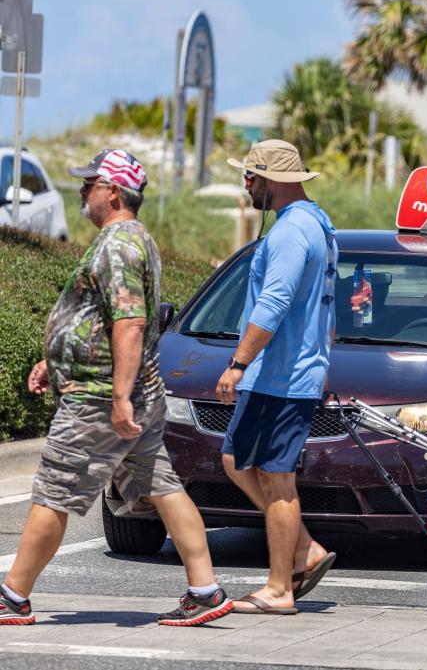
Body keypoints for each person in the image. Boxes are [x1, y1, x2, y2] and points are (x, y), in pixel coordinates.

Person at [0, 150, 232, 626]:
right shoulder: (133, 240)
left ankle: (12, 596)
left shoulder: (119, 245)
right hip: (128, 389)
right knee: (162, 486)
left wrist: (119, 396)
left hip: (99, 398)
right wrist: (56, 357)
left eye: (91, 183)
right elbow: (105, 321)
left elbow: (130, 322)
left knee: (55, 490)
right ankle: (205, 590)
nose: (83, 191)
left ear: (114, 191)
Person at [218, 140, 338, 615]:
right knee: (235, 460)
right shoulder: (320, 224)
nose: (246, 184)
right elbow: (325, 310)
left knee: (277, 477)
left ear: (273, 180)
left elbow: (275, 303)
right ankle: (305, 549)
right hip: (288, 372)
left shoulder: (291, 232)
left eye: (251, 176)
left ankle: (279, 588)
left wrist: (238, 363)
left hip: (279, 375)